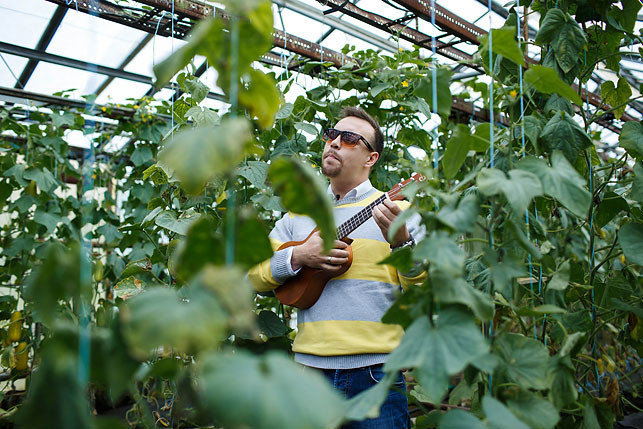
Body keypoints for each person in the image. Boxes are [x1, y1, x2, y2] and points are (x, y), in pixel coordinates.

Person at [248, 106, 425, 428]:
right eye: (331, 135)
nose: (333, 143)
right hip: (308, 373)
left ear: (371, 158)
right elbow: (253, 276)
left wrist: (401, 244)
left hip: (376, 374)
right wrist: (299, 257)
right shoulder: (296, 218)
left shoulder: (400, 213)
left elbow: (425, 293)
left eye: (348, 139)